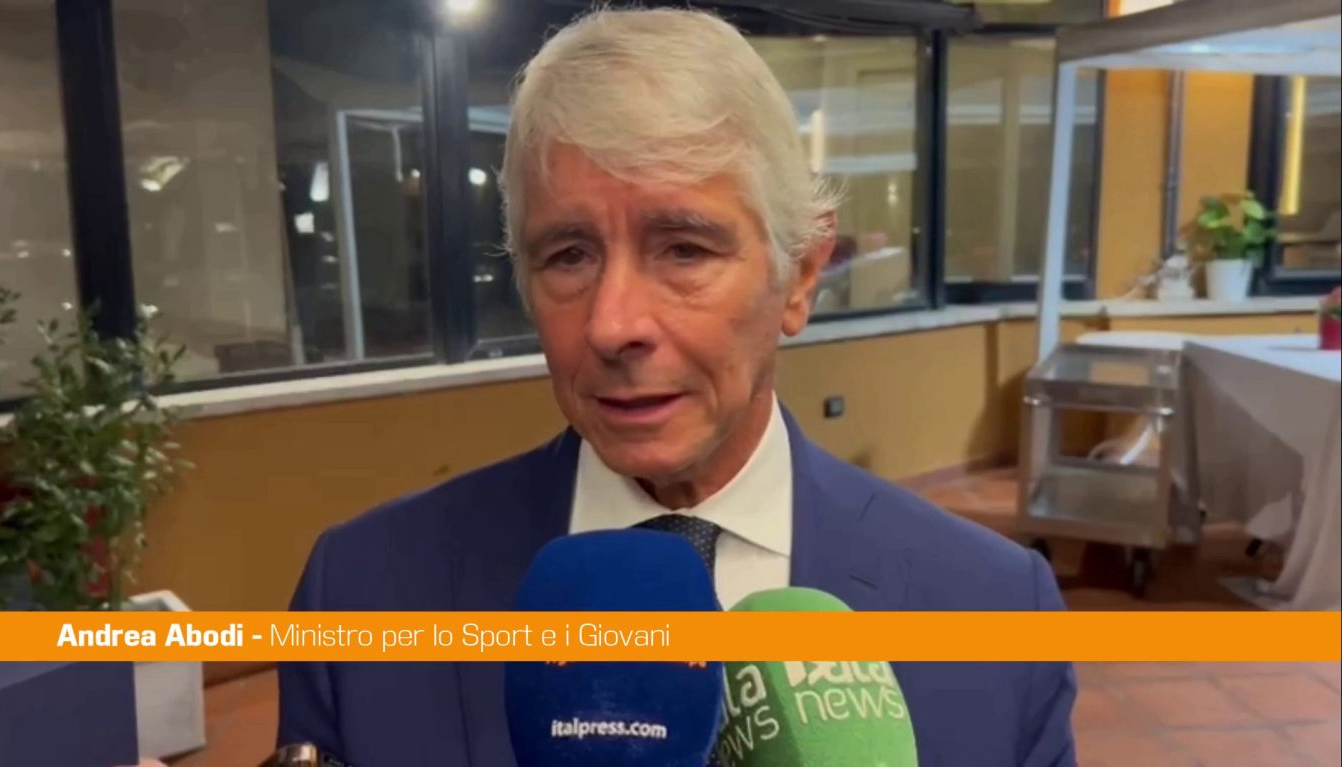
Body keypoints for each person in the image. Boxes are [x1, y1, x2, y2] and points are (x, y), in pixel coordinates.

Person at [278, 8, 1076, 765]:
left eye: (684, 249)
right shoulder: (360, 594)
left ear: (801, 273)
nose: (612, 324)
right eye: (568, 255)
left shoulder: (1000, 614)